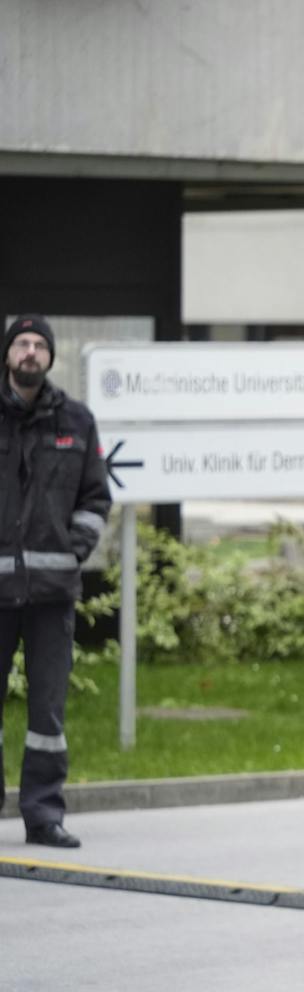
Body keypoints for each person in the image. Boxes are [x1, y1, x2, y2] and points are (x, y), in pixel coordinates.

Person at [0, 315, 110, 850]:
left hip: (52, 594)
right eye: (21, 342)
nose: (29, 352)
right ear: (7, 354)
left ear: (49, 357)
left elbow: (95, 499)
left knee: (47, 712)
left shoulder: (77, 420)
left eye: (39, 345)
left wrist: (72, 553)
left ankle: (43, 815)